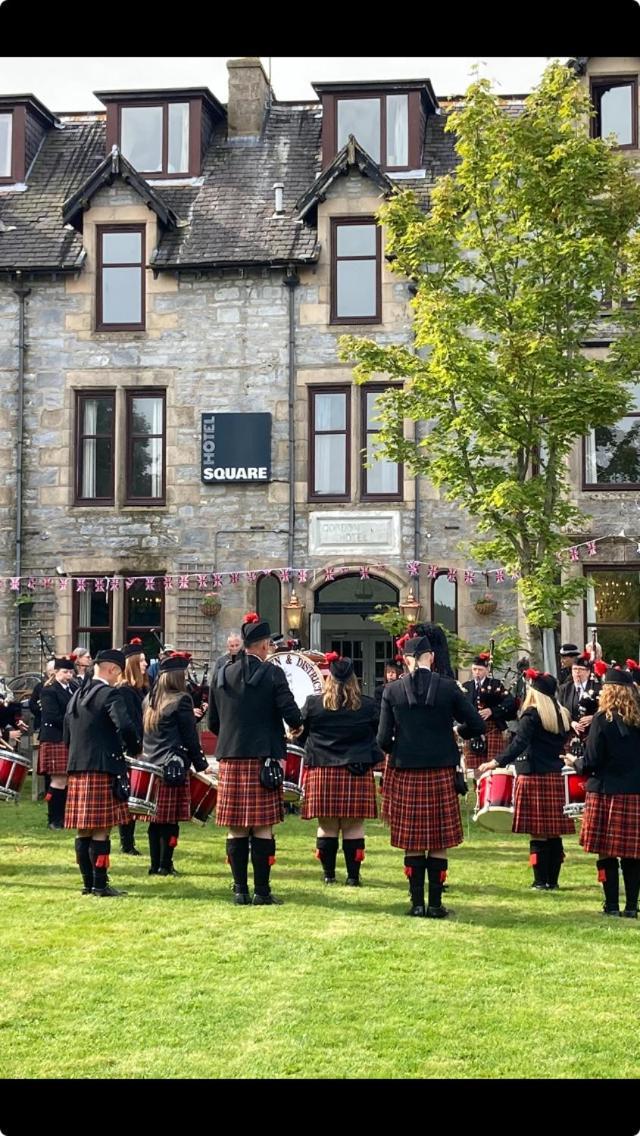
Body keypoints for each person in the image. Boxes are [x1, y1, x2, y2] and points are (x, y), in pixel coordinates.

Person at [378, 634, 484, 919]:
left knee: (413, 840)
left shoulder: (392, 690)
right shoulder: (449, 688)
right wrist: (457, 733)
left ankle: (416, 904)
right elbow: (475, 724)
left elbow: (382, 739)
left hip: (406, 771)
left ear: (406, 660)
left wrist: (400, 748)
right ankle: (435, 905)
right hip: (440, 771)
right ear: (432, 658)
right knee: (438, 840)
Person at [209, 611, 301, 905]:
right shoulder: (273, 673)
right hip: (263, 757)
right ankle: (262, 892)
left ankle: (239, 890)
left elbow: (212, 722)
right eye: (269, 645)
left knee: (236, 826)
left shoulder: (221, 672)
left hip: (232, 757)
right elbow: (291, 714)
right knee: (262, 826)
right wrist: (296, 725)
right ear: (262, 646)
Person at [478, 669, 573, 890]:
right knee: (553, 831)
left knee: (537, 833)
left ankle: (540, 881)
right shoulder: (562, 714)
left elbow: (518, 744)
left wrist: (495, 762)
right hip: (555, 776)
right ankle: (553, 881)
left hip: (533, 775)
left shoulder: (531, 714)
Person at [64, 649, 142, 897]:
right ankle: (100, 884)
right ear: (114, 670)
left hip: (78, 767)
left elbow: (67, 735)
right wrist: (135, 749)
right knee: (101, 829)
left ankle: (88, 884)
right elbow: (126, 725)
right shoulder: (109, 693)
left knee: (83, 829)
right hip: (103, 767)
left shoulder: (76, 695)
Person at [299, 653, 380, 886]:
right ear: (354, 678)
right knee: (354, 825)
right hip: (356, 771)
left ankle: (329, 875)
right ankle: (353, 877)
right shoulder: (367, 705)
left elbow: (300, 736)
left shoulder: (314, 704)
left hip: (323, 772)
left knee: (327, 826)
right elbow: (378, 734)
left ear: (329, 678)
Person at [566, 665, 640, 917]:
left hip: (607, 791)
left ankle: (611, 906)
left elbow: (591, 761)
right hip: (635, 792)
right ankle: (631, 907)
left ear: (608, 691)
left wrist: (573, 762)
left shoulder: (601, 719)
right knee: (633, 852)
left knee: (606, 852)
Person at [141, 651, 208, 876]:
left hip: (152, 765)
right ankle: (166, 865)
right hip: (173, 766)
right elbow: (189, 736)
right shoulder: (182, 699)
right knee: (170, 821)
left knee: (156, 820)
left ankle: (154, 865)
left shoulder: (148, 701)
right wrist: (201, 765)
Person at [116, 639, 149, 856]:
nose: (146, 664)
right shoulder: (124, 691)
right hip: (128, 749)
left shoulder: (140, 688)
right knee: (128, 796)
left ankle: (128, 842)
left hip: (139, 744)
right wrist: (136, 747)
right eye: (143, 661)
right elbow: (127, 723)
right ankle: (126, 843)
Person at [461, 652, 515, 778]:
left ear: (487, 670)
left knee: (493, 765)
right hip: (472, 730)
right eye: (474, 669)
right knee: (475, 765)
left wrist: (492, 710)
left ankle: (493, 791)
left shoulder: (495, 684)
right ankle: (479, 789)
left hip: (492, 728)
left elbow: (510, 702)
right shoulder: (466, 687)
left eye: (480, 669)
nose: (477, 672)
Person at [38, 655, 76, 829]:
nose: (68, 675)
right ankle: (54, 819)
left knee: (67, 779)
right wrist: (76, 724)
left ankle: (64, 817)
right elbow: (53, 716)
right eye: (65, 671)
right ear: (56, 672)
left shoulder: (73, 688)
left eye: (70, 671)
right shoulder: (49, 690)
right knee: (58, 780)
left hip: (67, 738)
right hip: (55, 737)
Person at [558, 653, 601, 756]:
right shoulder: (565, 688)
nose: (577, 673)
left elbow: (606, 709)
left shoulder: (598, 688)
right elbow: (559, 709)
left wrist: (594, 717)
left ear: (588, 672)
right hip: (571, 734)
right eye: (574, 669)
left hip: (592, 734)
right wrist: (572, 723)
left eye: (581, 669)